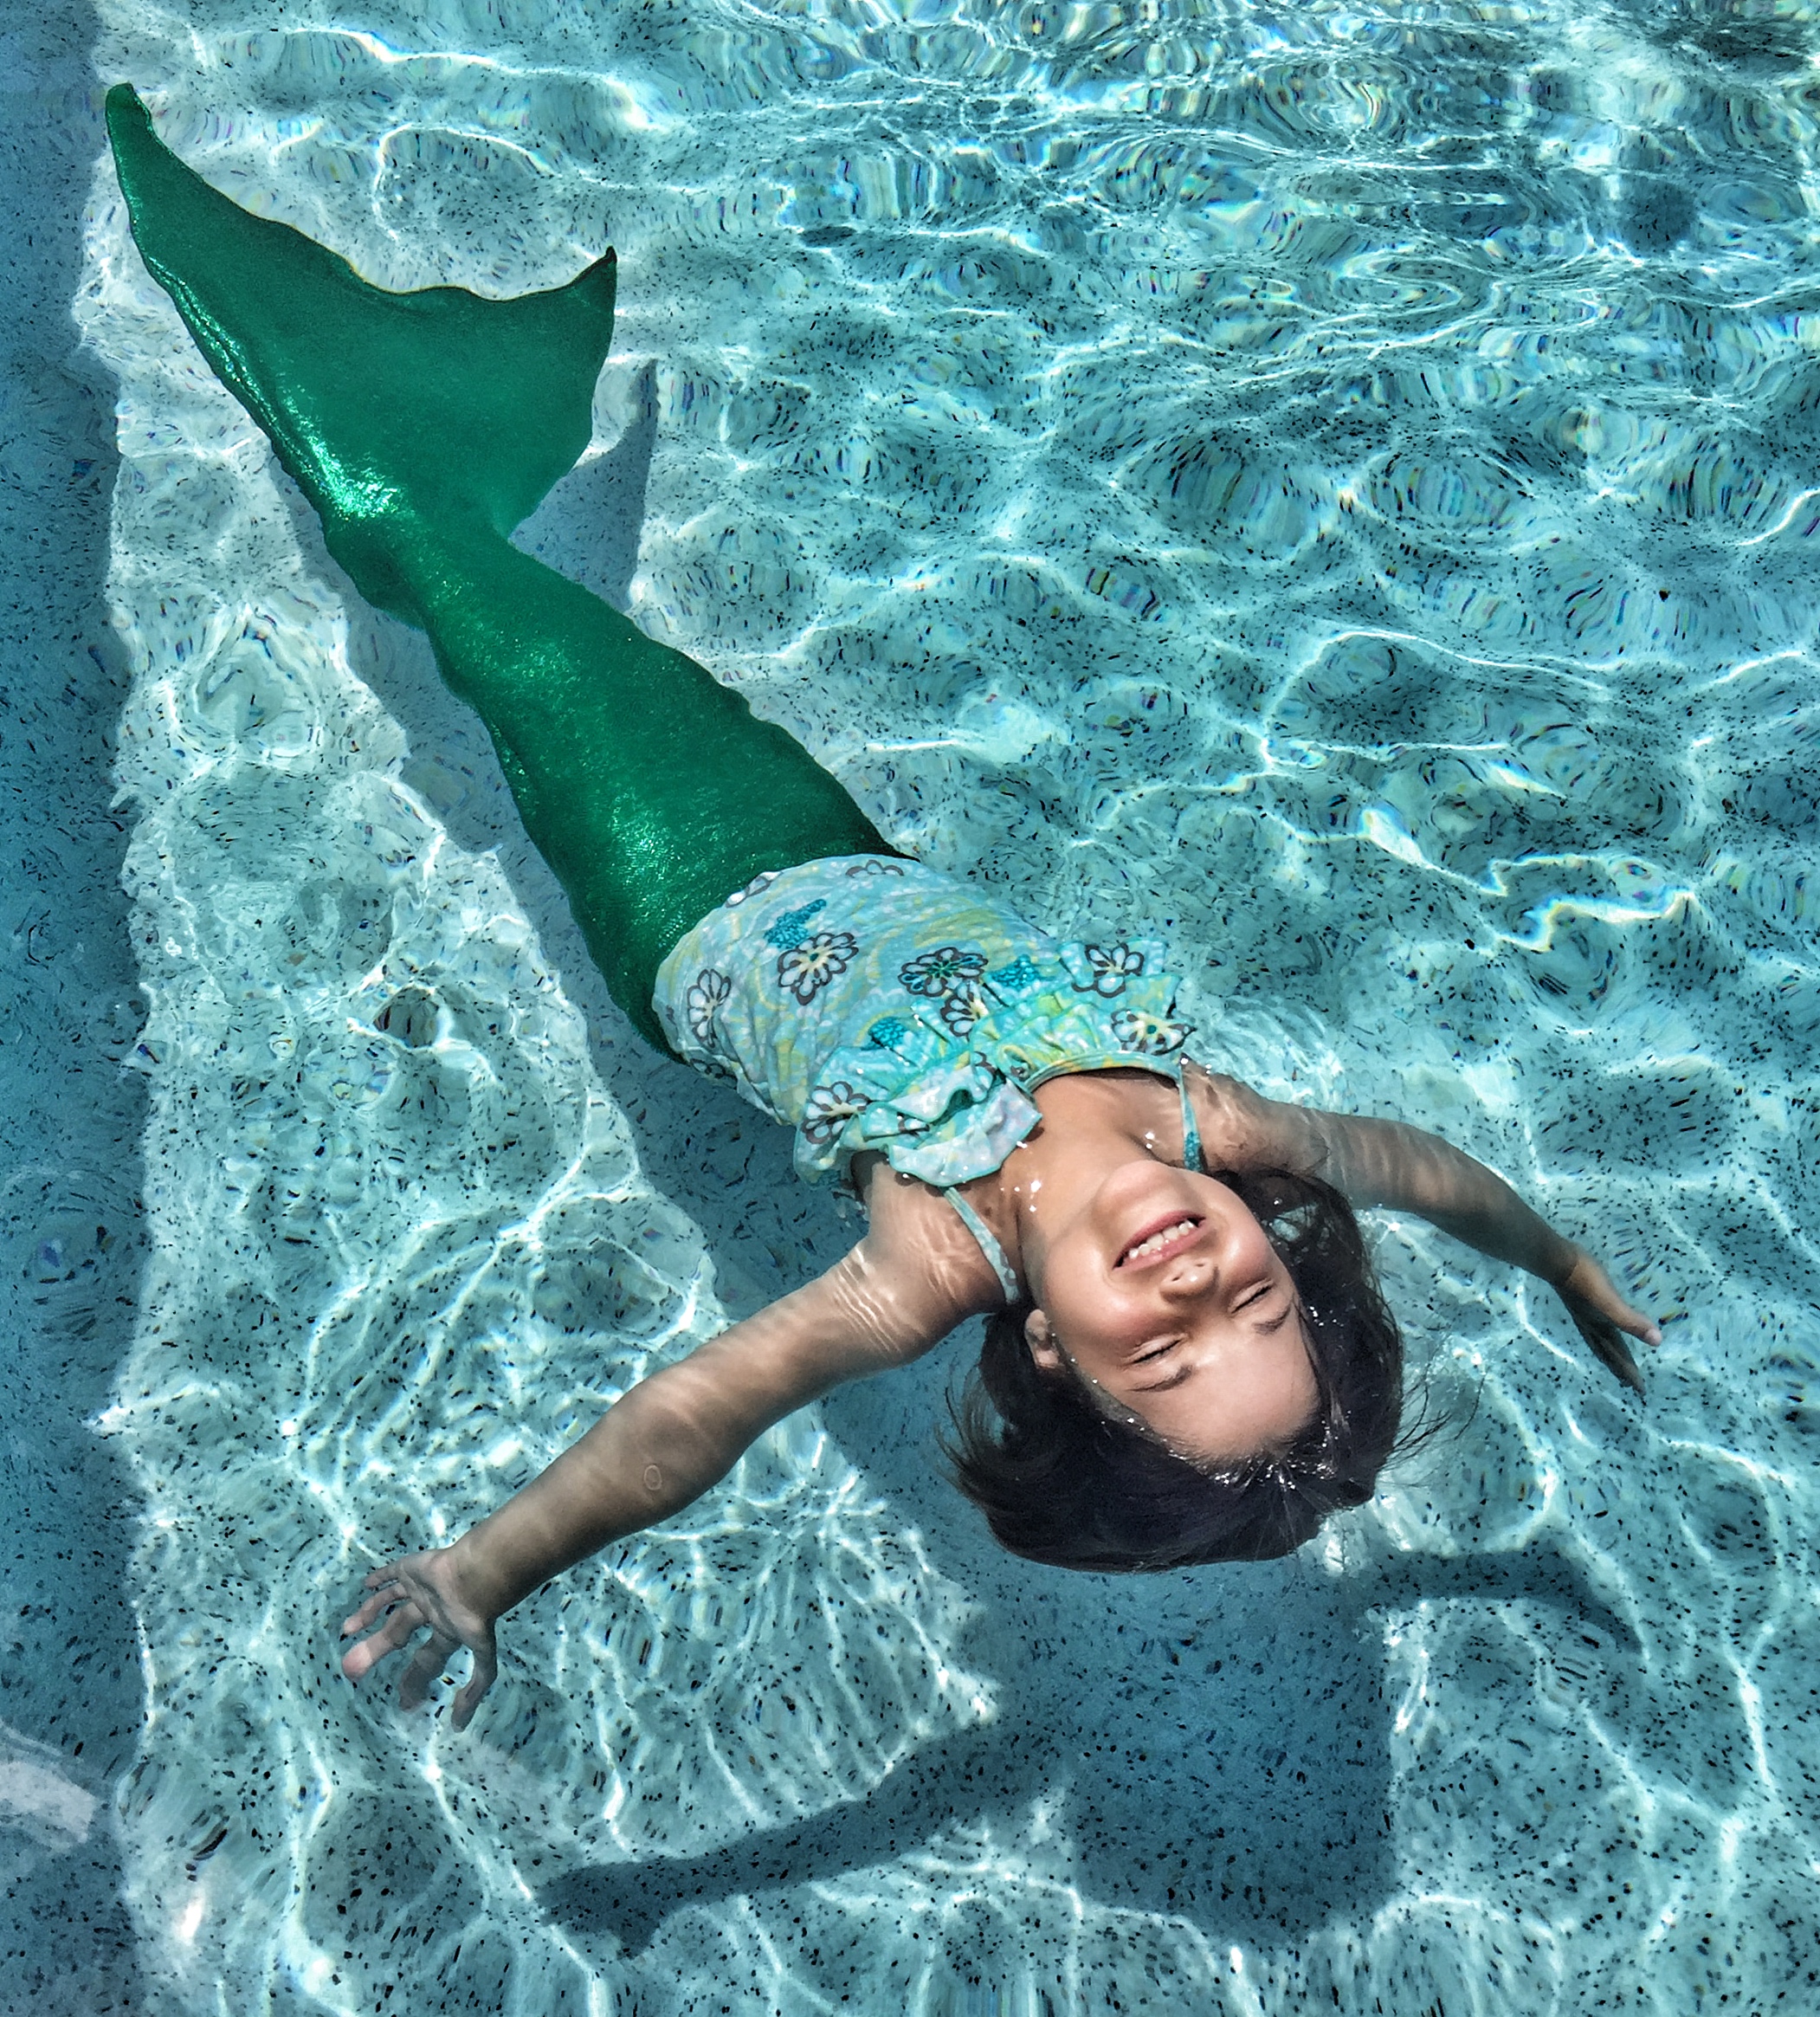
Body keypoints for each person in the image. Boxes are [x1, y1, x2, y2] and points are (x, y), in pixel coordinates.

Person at [106, 84, 1661, 1731]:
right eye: (1255, 1302)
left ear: (1053, 1355)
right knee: (586, 647)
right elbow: (1410, 1168)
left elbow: (695, 1417)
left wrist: (486, 1568)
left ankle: (388, 433)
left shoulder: (933, 1253)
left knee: (456, 593)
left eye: (1161, 1351)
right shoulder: (1213, 1126)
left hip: (668, 885)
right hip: (828, 837)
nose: (1196, 1289)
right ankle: (457, 423)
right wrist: (1555, 1257)